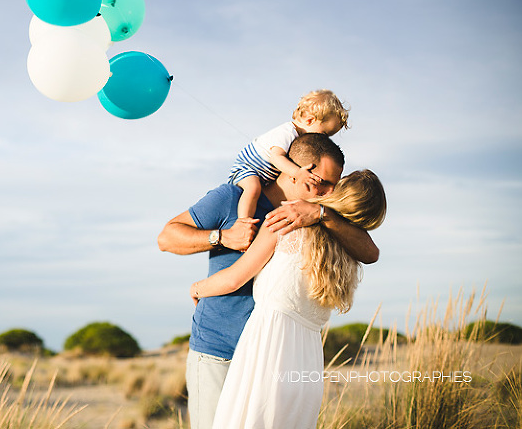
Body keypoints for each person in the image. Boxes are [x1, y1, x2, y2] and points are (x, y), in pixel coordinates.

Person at [157, 133, 379, 429]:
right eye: (323, 183)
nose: (328, 193)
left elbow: (371, 252)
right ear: (299, 170)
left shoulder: (320, 220)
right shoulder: (232, 198)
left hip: (273, 358)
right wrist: (222, 237)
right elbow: (166, 238)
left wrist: (321, 213)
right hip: (219, 349)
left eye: (333, 186)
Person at [229, 90, 349, 220]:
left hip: (260, 174)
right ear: (310, 120)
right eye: (324, 133)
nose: (324, 139)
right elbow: (276, 157)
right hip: (247, 168)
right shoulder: (287, 132)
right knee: (253, 189)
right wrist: (298, 173)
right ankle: (243, 221)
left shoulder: (296, 138)